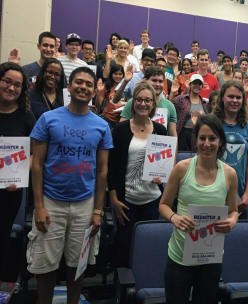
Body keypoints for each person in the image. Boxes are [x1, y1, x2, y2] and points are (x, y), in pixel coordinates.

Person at [28, 67, 112, 304]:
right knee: (45, 268)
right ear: (69, 86)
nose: (83, 87)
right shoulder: (48, 119)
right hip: (51, 202)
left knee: (78, 267)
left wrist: (98, 211)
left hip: (84, 205)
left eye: (88, 84)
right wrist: (39, 206)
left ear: (94, 90)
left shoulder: (101, 125)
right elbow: (37, 165)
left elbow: (103, 171)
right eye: (79, 82)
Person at [159, 114, 238, 304]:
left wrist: (233, 220)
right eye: (202, 138)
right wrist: (174, 218)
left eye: (212, 138)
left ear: (220, 141)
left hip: (210, 259)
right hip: (179, 259)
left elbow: (233, 210)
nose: (207, 143)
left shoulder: (229, 174)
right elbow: (163, 205)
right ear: (195, 140)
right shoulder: (181, 168)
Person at [108, 81, 166, 267]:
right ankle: (123, 294)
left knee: (148, 252)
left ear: (153, 104)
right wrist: (114, 200)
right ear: (133, 103)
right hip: (126, 202)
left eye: (147, 100)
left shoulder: (161, 130)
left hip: (152, 199)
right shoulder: (121, 130)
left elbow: (164, 164)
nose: (143, 104)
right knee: (124, 251)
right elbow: (112, 167)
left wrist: (161, 176)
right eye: (139, 100)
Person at [0, 63, 36, 288]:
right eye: (7, 81)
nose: (12, 88)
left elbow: (35, 153)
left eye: (17, 84)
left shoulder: (26, 116)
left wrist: (20, 174)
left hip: (9, 192)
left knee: (2, 237)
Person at [212, 80, 248, 217]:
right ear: (222, 98)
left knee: (240, 238)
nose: (234, 100)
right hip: (213, 194)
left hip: (239, 197)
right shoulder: (212, 124)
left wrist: (247, 194)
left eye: (238, 97)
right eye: (230, 96)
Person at [120, 66, 177, 136]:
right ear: (145, 81)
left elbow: (173, 137)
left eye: (160, 81)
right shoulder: (133, 102)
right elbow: (121, 130)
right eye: (154, 80)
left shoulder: (170, 106)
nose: (157, 84)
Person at [174, 74, 207, 151]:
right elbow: (170, 107)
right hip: (183, 135)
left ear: (202, 86)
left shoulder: (205, 103)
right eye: (195, 83)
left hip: (198, 136)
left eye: (199, 84)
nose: (197, 86)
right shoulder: (181, 99)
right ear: (190, 85)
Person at [97, 64, 132, 128]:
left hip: (122, 119)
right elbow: (98, 105)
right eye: (115, 74)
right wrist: (99, 92)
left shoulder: (127, 87)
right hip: (108, 119)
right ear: (111, 74)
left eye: (120, 74)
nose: (118, 76)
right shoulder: (107, 86)